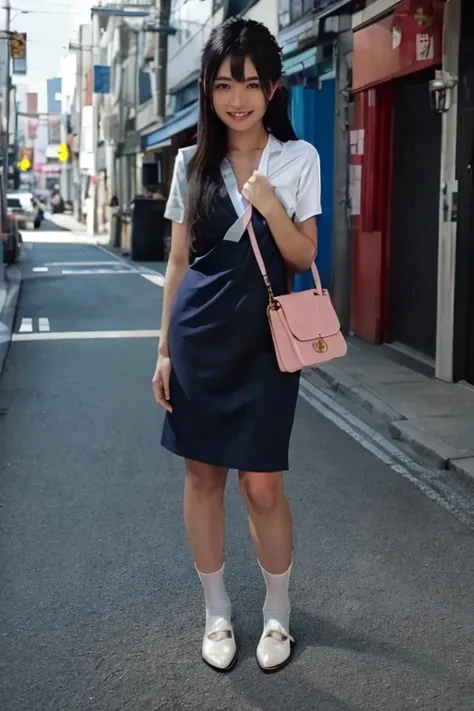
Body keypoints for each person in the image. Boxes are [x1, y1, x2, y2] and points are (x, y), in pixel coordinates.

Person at [152, 17, 321, 673]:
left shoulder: (297, 158)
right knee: (202, 476)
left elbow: (303, 256)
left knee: (262, 486)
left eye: (251, 83)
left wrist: (272, 206)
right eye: (224, 83)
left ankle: (278, 612)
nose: (238, 98)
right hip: (198, 337)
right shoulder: (191, 162)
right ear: (209, 88)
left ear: (273, 86)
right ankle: (217, 608)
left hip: (267, 341)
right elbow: (174, 263)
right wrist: (163, 349)